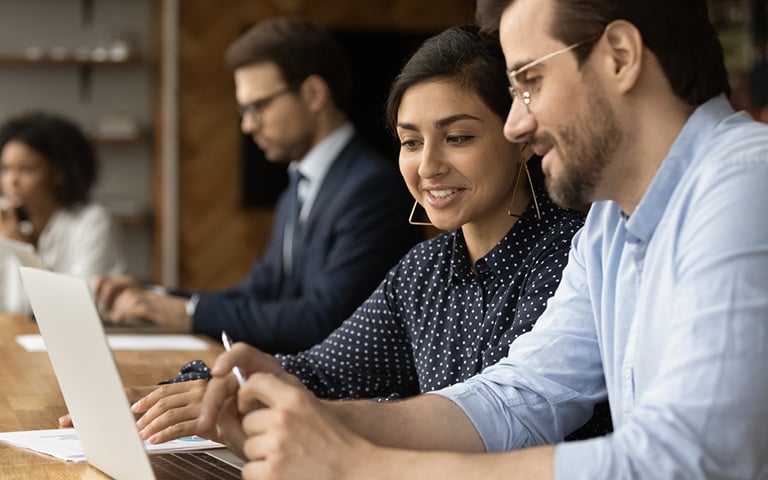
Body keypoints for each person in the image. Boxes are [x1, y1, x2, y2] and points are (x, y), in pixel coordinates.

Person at [197, 0, 768, 478]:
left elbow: (693, 457)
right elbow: (519, 396)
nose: (517, 124)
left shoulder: (746, 182)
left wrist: (363, 464)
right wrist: (310, 419)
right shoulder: (607, 226)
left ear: (620, 57)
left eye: (530, 82)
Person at [60, 24, 612, 445]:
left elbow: (496, 418)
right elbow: (321, 370)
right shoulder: (425, 270)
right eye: (411, 141)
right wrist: (183, 392)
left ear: (520, 135)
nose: (428, 166)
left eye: (459, 137)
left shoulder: (571, 253)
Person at [93, 17, 421, 352]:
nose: (248, 125)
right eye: (243, 110)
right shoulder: (297, 188)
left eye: (258, 107)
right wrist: (154, 297)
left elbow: (324, 320)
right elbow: (257, 293)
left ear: (313, 93)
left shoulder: (373, 188)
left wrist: (188, 314)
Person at [0, 111, 126, 314]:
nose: (11, 181)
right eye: (5, 169)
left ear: (58, 173)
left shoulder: (91, 222)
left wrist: (23, 248)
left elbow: (80, 305)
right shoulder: (4, 217)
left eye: (26, 170)